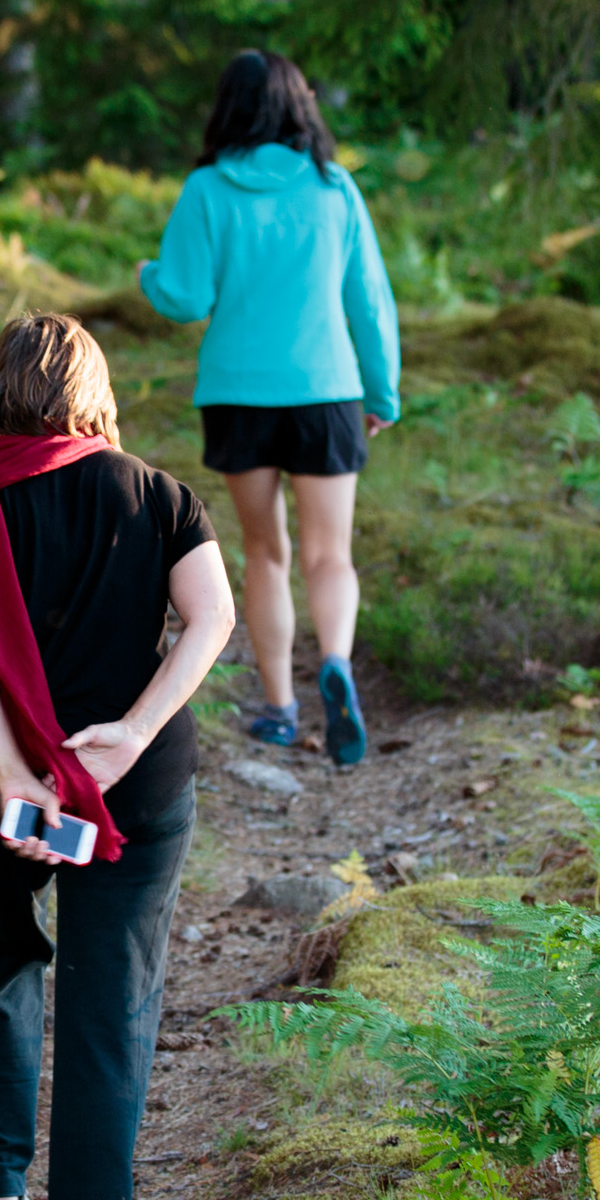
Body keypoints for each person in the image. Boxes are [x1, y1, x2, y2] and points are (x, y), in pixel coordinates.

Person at [0, 314, 236, 1200]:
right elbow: (212, 618)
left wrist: (12, 775)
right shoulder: (161, 495)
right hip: (129, 779)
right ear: (94, 392)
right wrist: (128, 734)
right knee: (109, 1009)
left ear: (1, 389)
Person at [136, 49, 399, 768]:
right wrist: (383, 394)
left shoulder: (206, 189)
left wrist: (149, 278)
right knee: (329, 554)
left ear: (228, 107)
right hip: (328, 392)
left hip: (239, 394)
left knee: (265, 553)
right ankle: (337, 663)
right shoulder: (333, 187)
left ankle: (280, 709)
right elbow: (369, 301)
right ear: (299, 104)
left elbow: (185, 296)